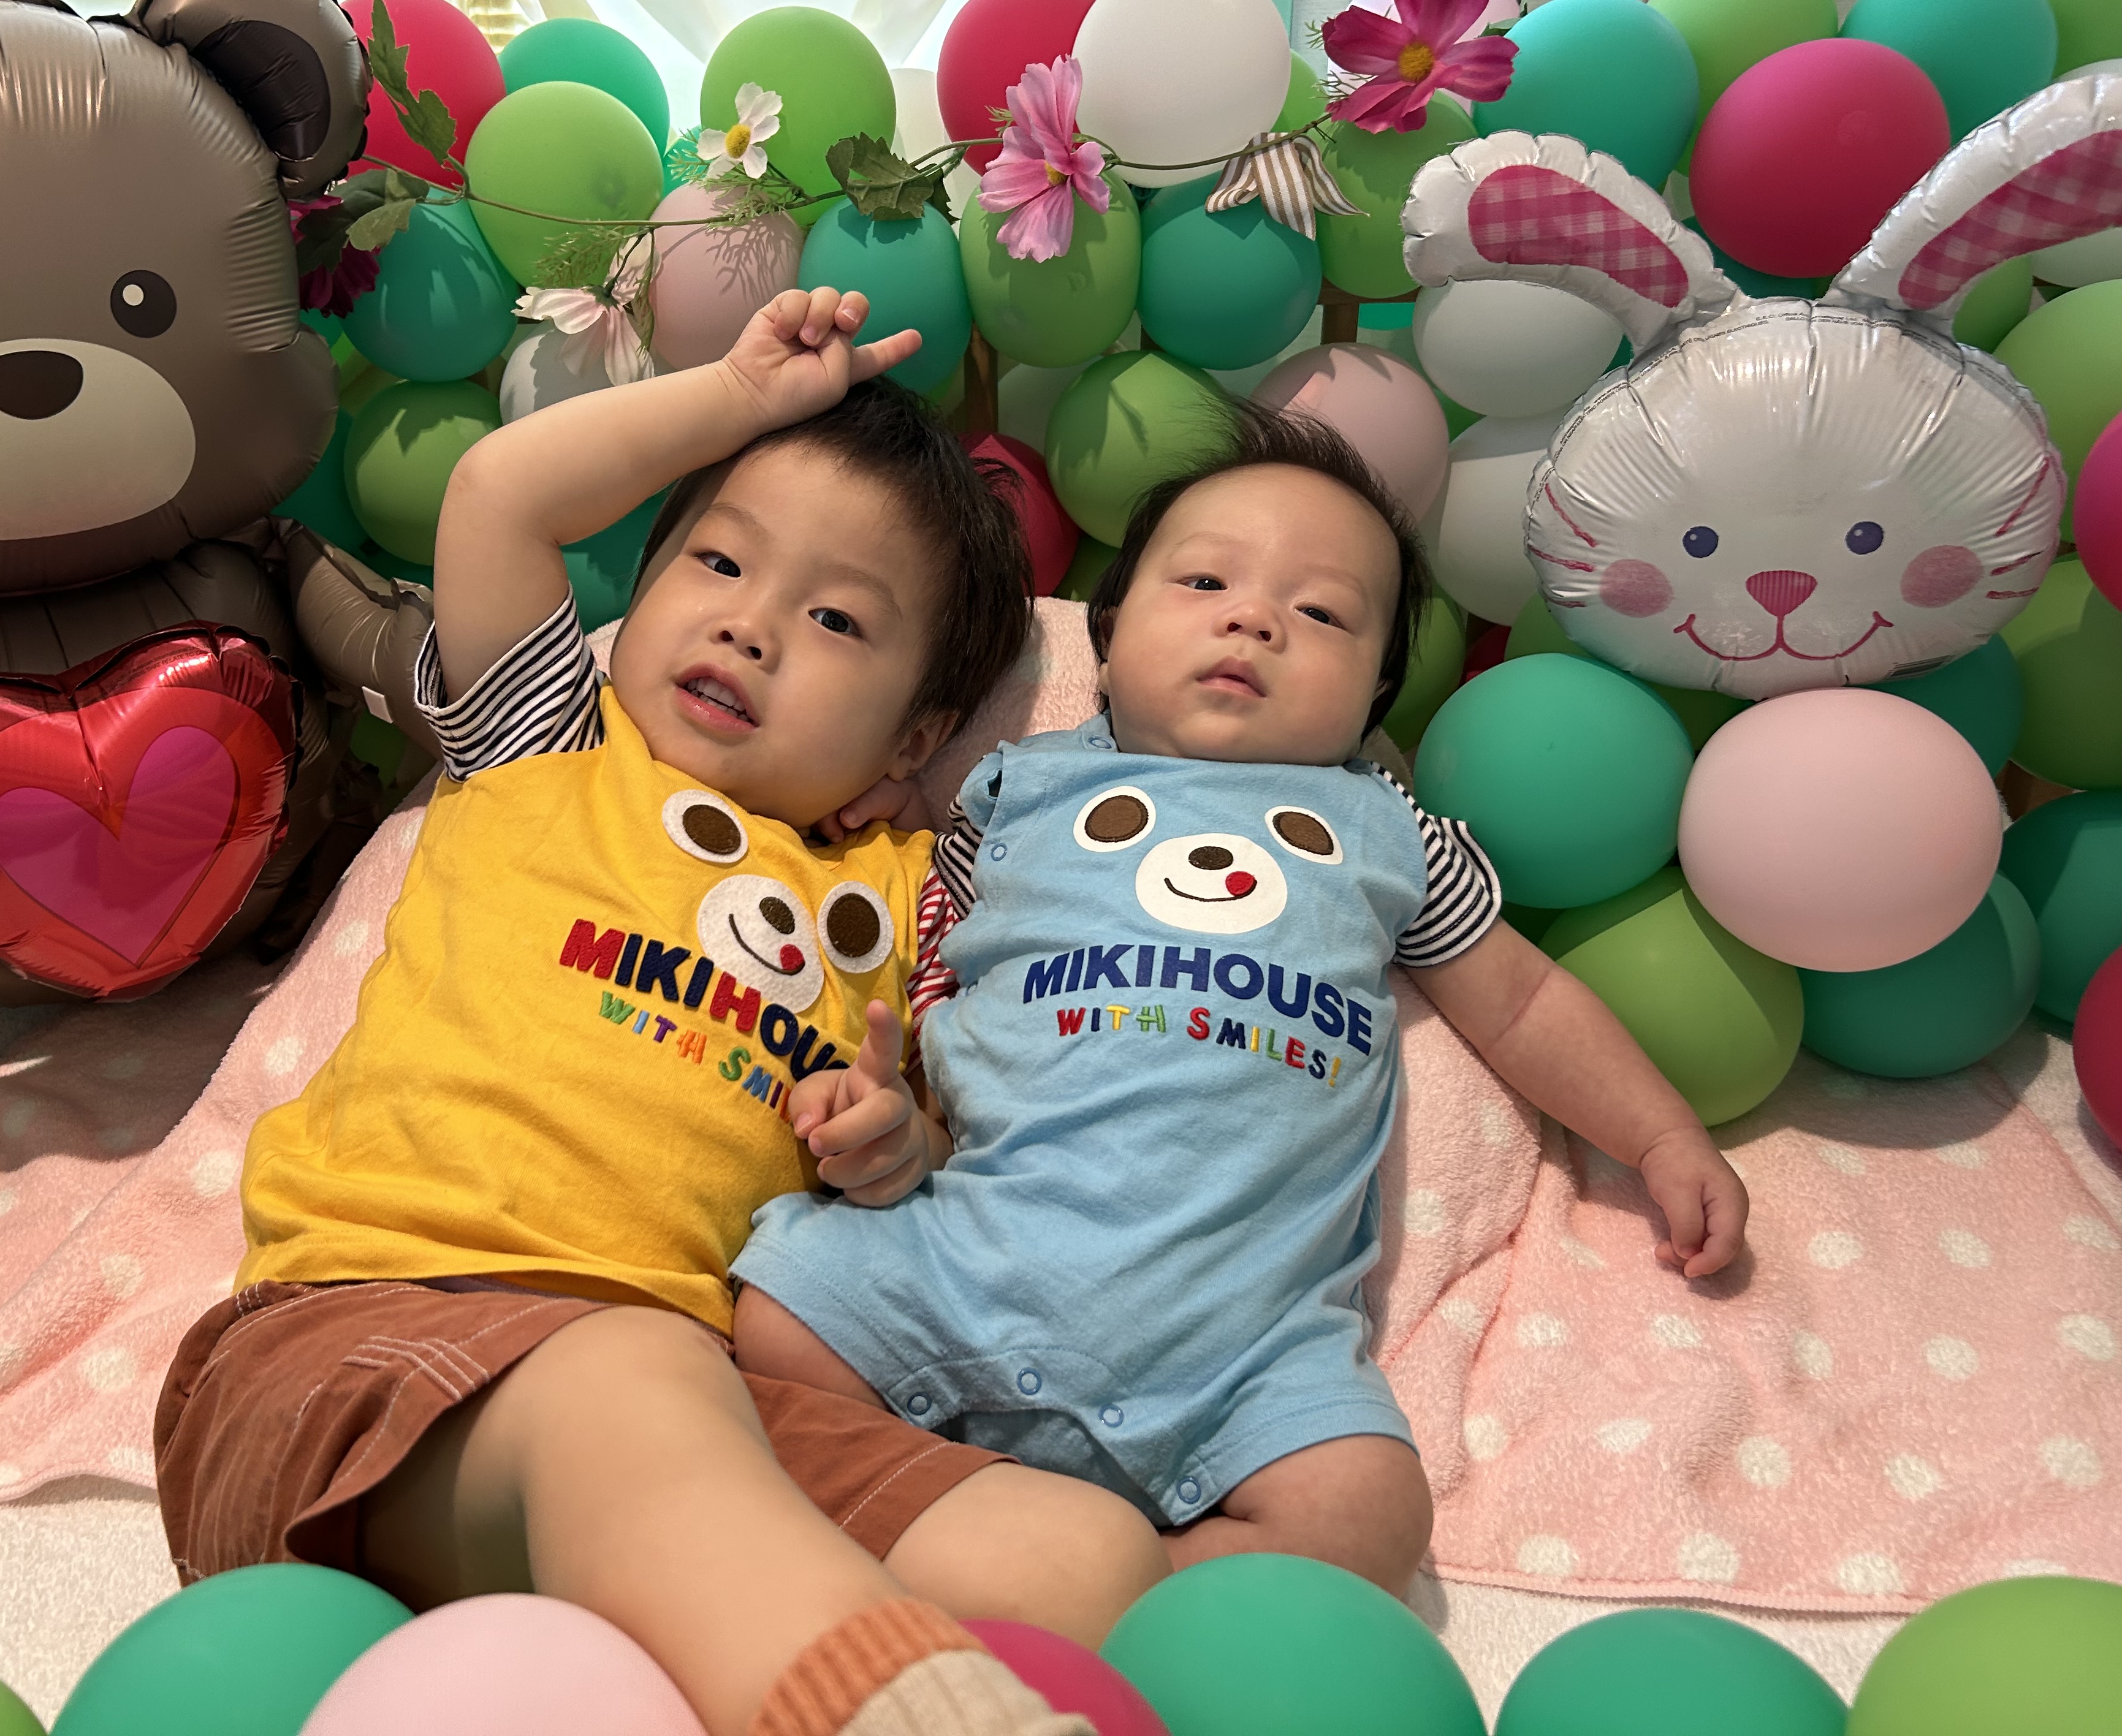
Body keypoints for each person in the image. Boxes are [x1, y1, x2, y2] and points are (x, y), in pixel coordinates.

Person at [154, 290, 1160, 1736]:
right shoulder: (550, 749)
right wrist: (736, 399)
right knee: (623, 1383)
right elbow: (500, 496)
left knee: (1081, 1554)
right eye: (720, 562)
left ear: (919, 738)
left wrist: (892, 1148)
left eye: (835, 620)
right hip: (361, 1349)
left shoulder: (907, 894)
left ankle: (765, 1653)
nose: (750, 626)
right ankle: (901, 1709)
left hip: (702, 1404)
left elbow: (944, 1150)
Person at [734, 401, 1752, 1600]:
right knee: (780, 1315)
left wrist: (1657, 1134)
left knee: (1370, 1512)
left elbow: (1524, 1005)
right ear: (1107, 638)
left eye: (1321, 613)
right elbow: (933, 948)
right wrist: (880, 808)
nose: (1254, 618)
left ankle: (1127, 1583)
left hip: (1240, 1351)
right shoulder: (1015, 792)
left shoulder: (1389, 833)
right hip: (967, 1264)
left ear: (1375, 692)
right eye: (1205, 580)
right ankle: (963, 1519)